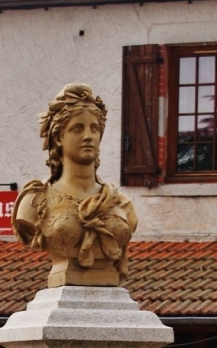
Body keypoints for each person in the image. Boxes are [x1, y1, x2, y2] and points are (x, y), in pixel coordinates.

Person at [12, 83, 137, 286]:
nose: (88, 136)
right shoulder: (35, 201)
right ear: (59, 137)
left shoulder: (120, 202)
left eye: (94, 128)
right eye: (77, 129)